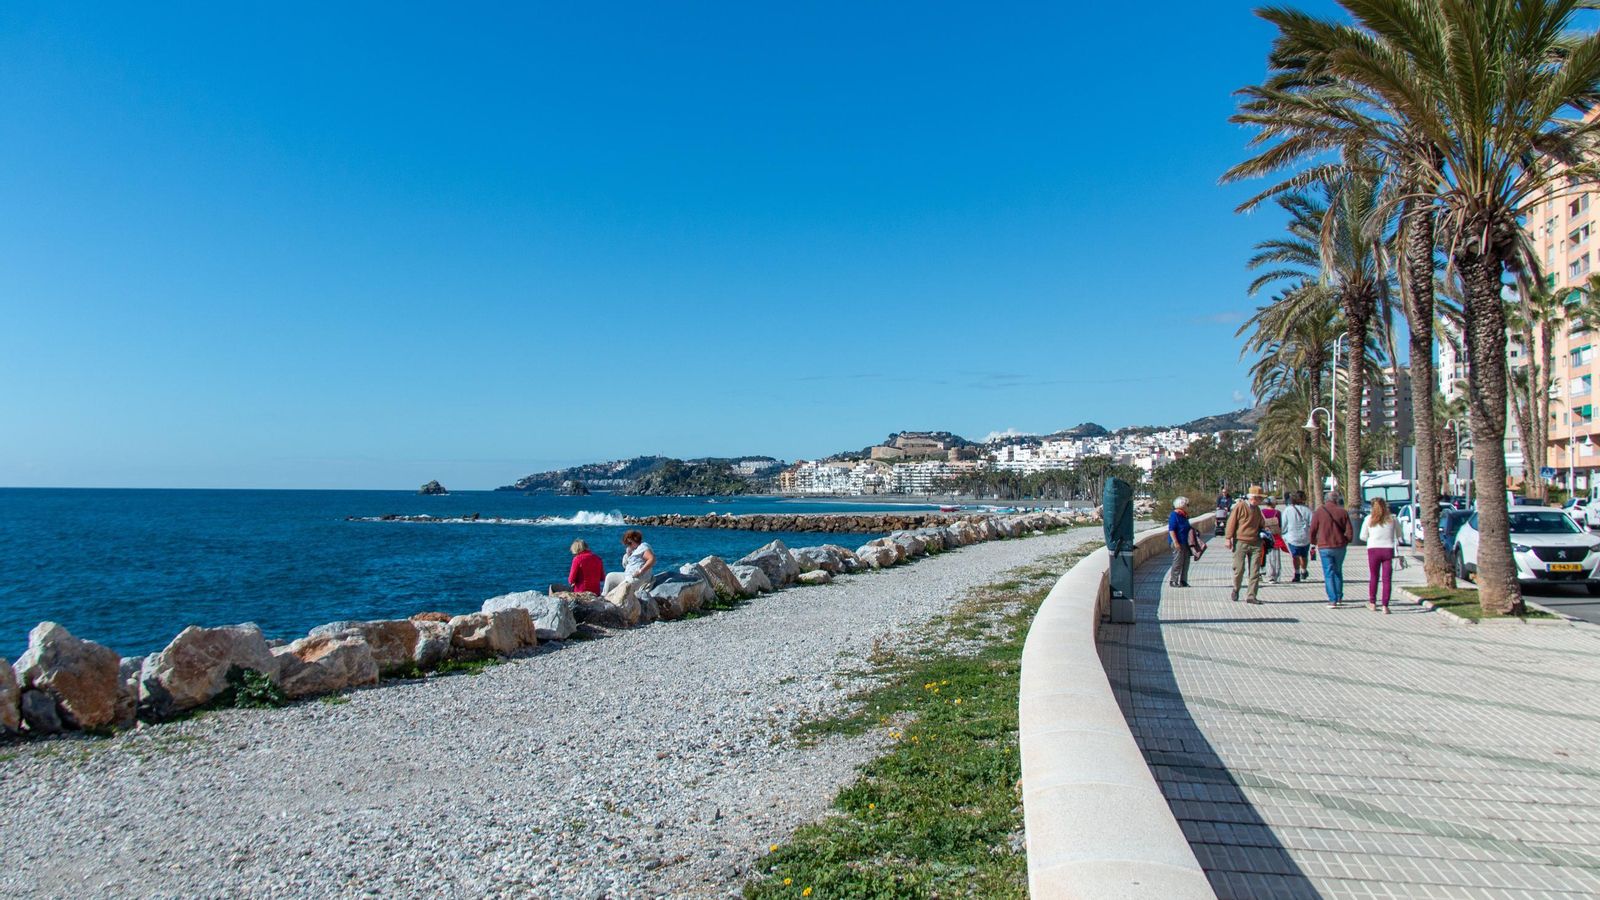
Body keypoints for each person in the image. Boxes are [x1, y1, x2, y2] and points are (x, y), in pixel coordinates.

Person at [1309, 491, 1355, 607]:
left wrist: (1313, 542)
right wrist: (1347, 540)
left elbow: (1313, 529)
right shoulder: (1342, 512)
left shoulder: (1319, 511)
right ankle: (1339, 597)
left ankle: (1332, 599)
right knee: (1338, 571)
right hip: (1340, 546)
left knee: (1328, 573)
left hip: (1324, 546)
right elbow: (1349, 530)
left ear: (1326, 499)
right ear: (1336, 500)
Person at [1224, 485, 1267, 604]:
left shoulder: (1257, 509)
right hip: (1241, 542)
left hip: (1255, 543)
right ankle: (1236, 588)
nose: (1261, 501)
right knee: (1239, 569)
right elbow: (1231, 522)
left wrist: (1265, 531)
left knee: (1255, 571)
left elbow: (1261, 524)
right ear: (1253, 497)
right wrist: (1228, 538)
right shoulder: (1240, 506)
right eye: (1259, 498)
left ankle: (1251, 595)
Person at [1360, 498, 1399, 614]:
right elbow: (1399, 534)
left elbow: (1362, 536)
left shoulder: (1369, 519)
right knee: (1387, 579)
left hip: (1373, 549)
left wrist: (1372, 538)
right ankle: (1385, 606)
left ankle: (1372, 603)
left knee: (1374, 576)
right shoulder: (1392, 519)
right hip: (1388, 549)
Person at [602, 529, 656, 597]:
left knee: (621, 588)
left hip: (638, 578)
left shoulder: (643, 547)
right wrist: (628, 554)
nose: (628, 545)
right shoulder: (633, 550)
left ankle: (611, 600)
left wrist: (640, 571)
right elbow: (625, 565)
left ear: (634, 540)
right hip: (628, 575)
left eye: (629, 543)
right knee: (610, 576)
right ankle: (604, 597)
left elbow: (652, 559)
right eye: (626, 544)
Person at [1280, 491, 1314, 583]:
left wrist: (1282, 533)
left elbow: (1283, 524)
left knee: (1295, 556)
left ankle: (1297, 573)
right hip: (1305, 537)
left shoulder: (1288, 510)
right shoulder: (1308, 510)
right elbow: (1312, 524)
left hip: (1292, 537)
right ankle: (1304, 570)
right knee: (1304, 555)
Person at [1167, 496, 1194, 588]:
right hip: (1178, 542)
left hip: (1185, 542)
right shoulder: (1174, 515)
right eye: (1187, 505)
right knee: (1177, 561)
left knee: (1186, 561)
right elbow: (1171, 530)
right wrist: (1175, 542)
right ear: (1182, 505)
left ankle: (1183, 580)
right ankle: (1173, 580)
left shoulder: (1184, 515)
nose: (1188, 506)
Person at [1260, 497, 1284, 584]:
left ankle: (1265, 575)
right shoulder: (1277, 513)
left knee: (1264, 556)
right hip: (1275, 537)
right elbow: (1281, 526)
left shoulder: (1261, 512)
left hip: (1264, 537)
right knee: (1275, 557)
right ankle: (1275, 576)